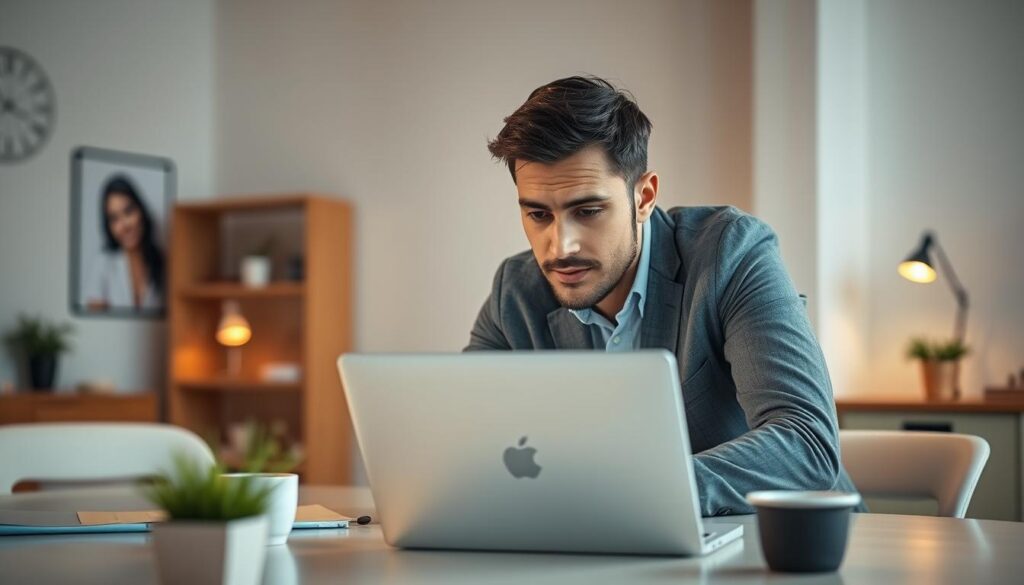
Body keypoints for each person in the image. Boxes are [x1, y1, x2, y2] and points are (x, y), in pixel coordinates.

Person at [465, 76, 860, 516]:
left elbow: (806, 443)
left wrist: (635, 496)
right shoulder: (515, 292)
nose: (561, 247)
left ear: (644, 197)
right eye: (538, 214)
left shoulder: (731, 253)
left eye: (588, 211)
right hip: (600, 549)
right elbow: (461, 440)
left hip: (785, 550)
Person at [85, 175, 165, 312]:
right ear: (108, 226)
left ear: (141, 211)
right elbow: (94, 321)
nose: (124, 226)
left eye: (128, 211)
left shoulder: (162, 261)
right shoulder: (103, 263)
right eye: (114, 219)